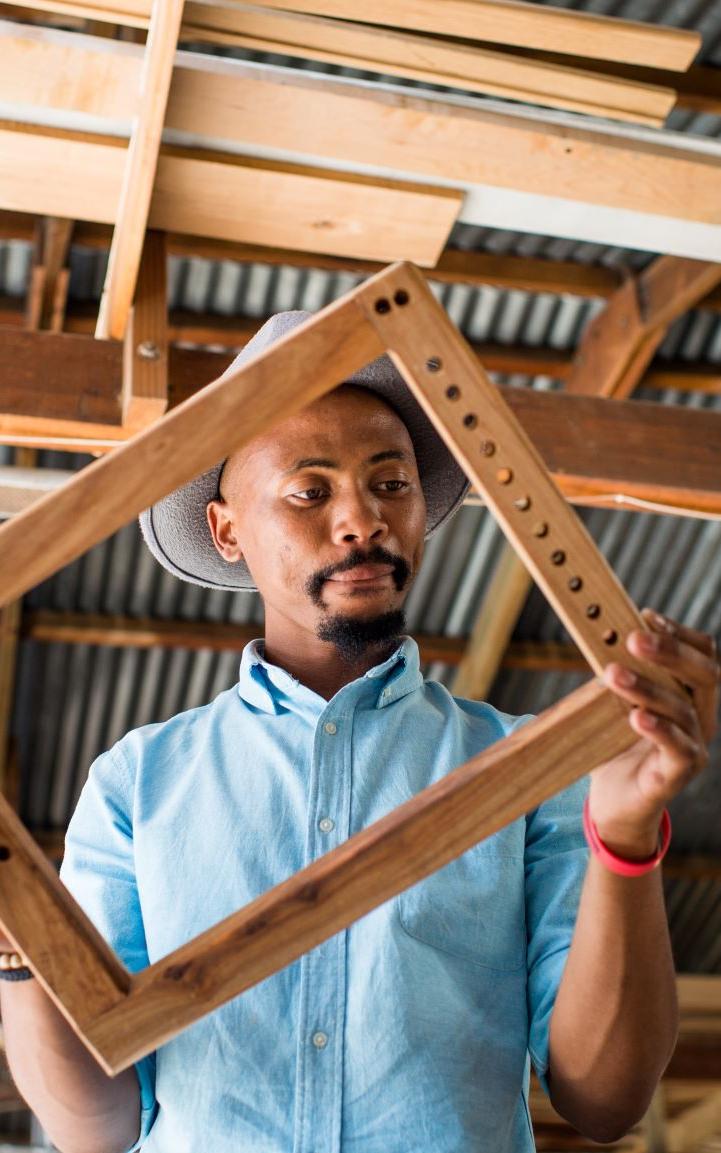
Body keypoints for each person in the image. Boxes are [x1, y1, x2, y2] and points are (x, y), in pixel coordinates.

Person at [0, 311, 718, 1153]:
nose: (362, 519)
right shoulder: (138, 780)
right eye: (310, 491)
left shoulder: (534, 768)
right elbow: (97, 1129)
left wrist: (626, 833)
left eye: (391, 483)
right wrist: (20, 953)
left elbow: (605, 1102)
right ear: (227, 530)